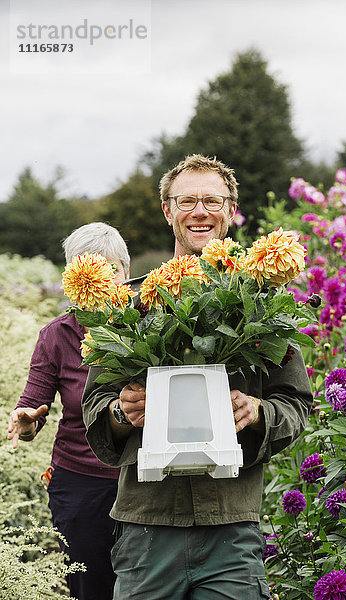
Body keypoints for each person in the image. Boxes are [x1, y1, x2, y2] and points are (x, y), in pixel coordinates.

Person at [82, 155, 313, 600]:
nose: (200, 211)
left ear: (231, 210)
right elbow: (94, 405)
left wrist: (260, 412)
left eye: (212, 200)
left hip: (230, 525)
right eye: (187, 201)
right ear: (168, 211)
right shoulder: (128, 304)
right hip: (147, 526)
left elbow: (297, 403)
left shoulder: (264, 306)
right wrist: (121, 411)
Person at [8, 222, 132, 600]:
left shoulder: (152, 325)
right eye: (90, 270)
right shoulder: (57, 335)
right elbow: (33, 405)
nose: (103, 280)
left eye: (112, 270)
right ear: (73, 278)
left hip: (147, 480)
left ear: (127, 273)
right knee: (91, 585)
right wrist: (27, 423)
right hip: (81, 482)